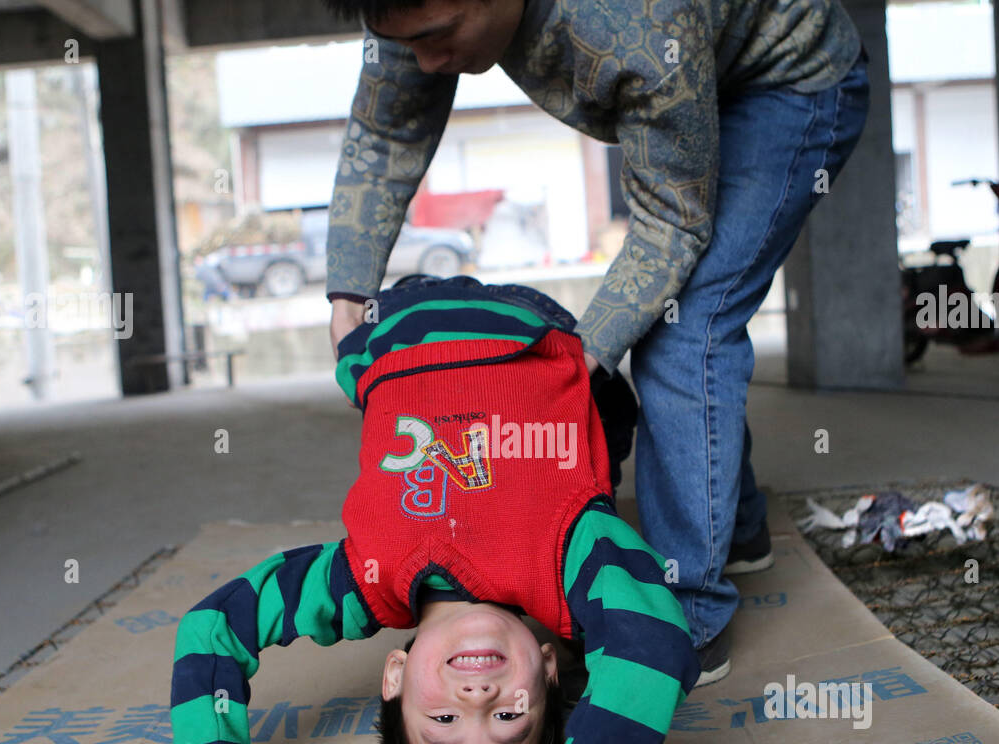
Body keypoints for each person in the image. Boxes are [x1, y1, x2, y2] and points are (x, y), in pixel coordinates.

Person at [322, 0, 870, 686]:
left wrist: (564, 369)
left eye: (437, 39)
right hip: (692, 71)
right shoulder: (420, 10)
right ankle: (740, 524)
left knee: (682, 330)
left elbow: (672, 222)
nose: (425, 63)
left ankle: (681, 621)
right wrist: (349, 295)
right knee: (661, 328)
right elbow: (386, 134)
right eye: (403, 43)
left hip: (784, 84)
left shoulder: (633, 19)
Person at [145, 275, 699, 744]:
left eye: (442, 717)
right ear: (548, 668)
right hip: (532, 329)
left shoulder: (360, 581)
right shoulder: (568, 562)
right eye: (508, 716)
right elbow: (652, 646)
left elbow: (213, 627)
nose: (478, 696)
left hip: (395, 327)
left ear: (395, 676)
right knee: (617, 413)